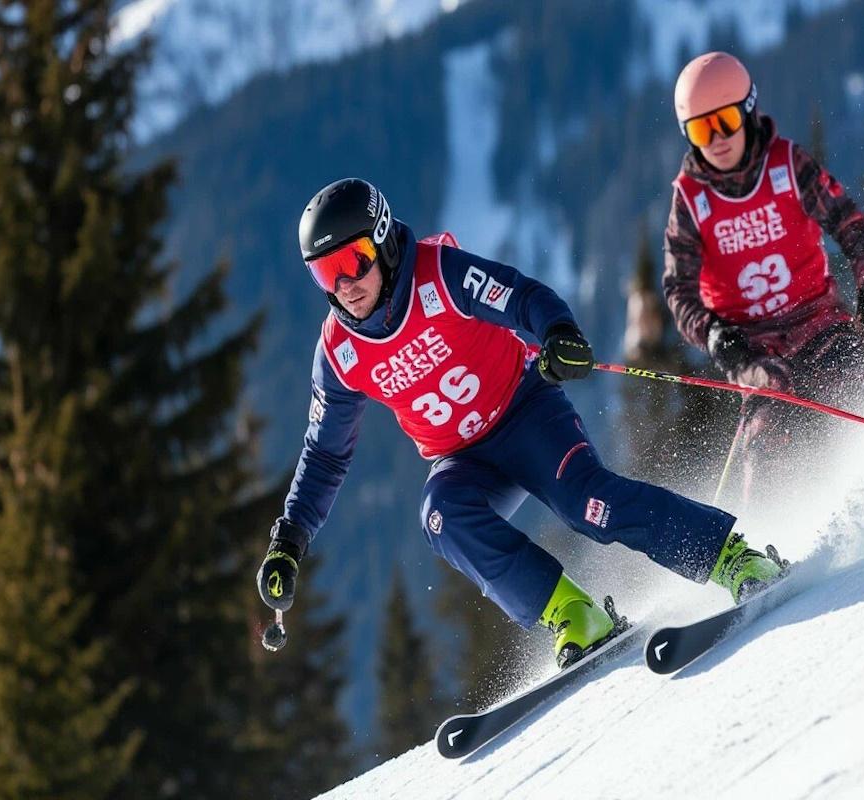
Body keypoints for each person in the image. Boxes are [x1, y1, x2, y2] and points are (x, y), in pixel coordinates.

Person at [256, 178, 788, 668]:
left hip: (524, 411)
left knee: (589, 506)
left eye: (353, 260)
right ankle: (573, 612)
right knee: (440, 516)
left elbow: (522, 296)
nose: (345, 284)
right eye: (326, 272)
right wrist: (289, 540)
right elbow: (326, 453)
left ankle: (731, 558)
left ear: (384, 243)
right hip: (463, 460)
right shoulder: (340, 354)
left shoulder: (438, 273)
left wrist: (557, 333)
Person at [665, 52, 864, 503]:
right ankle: (774, 539)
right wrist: (715, 337)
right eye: (700, 129)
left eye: (725, 121)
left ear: (748, 111)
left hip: (819, 323)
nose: (715, 139)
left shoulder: (787, 166)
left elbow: (849, 222)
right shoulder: (691, 202)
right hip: (756, 353)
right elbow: (679, 290)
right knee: (766, 446)